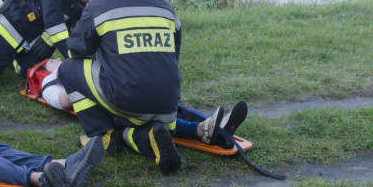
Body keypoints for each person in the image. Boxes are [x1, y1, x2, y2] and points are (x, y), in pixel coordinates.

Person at [57, 0, 184, 175]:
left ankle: (102, 136)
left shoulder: (100, 3)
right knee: (134, 125)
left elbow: (76, 50)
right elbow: (173, 57)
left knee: (67, 69)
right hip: (168, 107)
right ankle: (149, 137)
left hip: (127, 100)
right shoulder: (166, 8)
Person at [37, 59, 247, 147]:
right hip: (101, 103)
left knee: (174, 108)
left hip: (111, 88)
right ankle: (201, 131)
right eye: (53, 61)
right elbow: (64, 102)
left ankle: (214, 125)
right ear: (48, 67)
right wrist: (74, 77)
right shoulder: (49, 82)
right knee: (150, 112)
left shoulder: (75, 61)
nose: (57, 59)